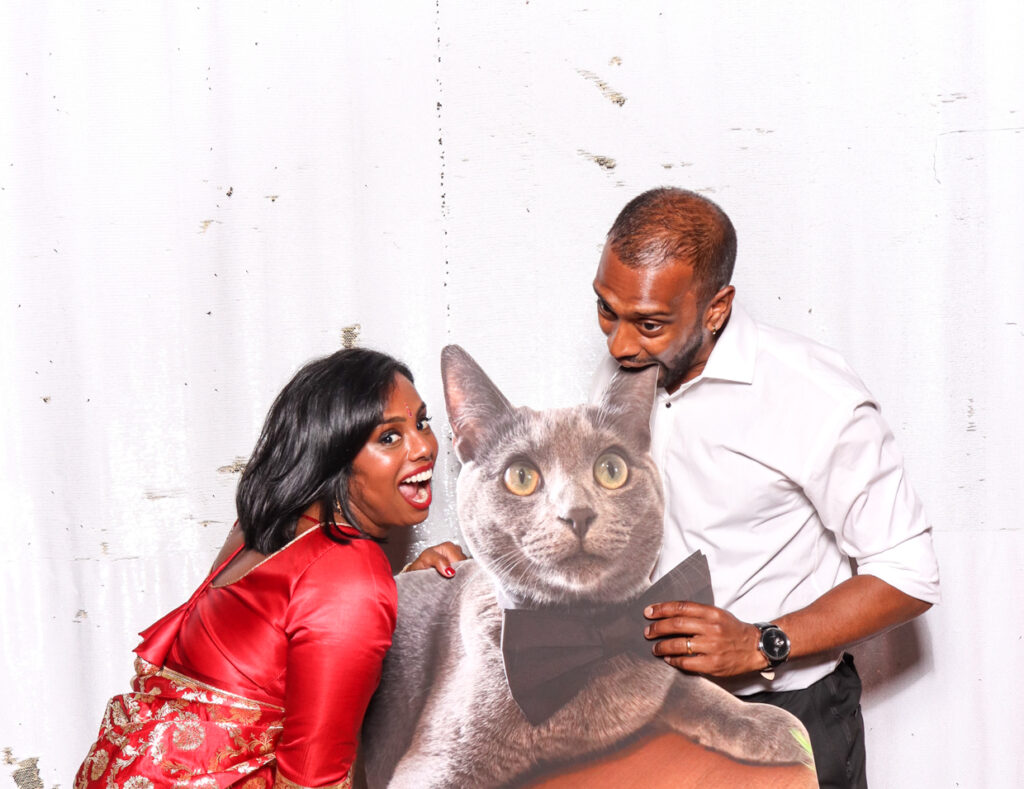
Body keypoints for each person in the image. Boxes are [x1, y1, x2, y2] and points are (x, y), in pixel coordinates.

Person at [587, 187, 941, 788]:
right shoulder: (626, 372)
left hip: (783, 714)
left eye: (648, 323)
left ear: (716, 308)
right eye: (605, 310)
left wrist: (761, 643)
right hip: (652, 710)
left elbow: (908, 572)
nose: (619, 344)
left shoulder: (812, 394)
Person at [75, 348, 439, 789]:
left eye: (421, 423)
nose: (424, 447)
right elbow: (312, 781)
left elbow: (279, 633)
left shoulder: (265, 525)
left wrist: (411, 589)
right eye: (389, 437)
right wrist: (374, 591)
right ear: (334, 453)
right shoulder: (349, 576)